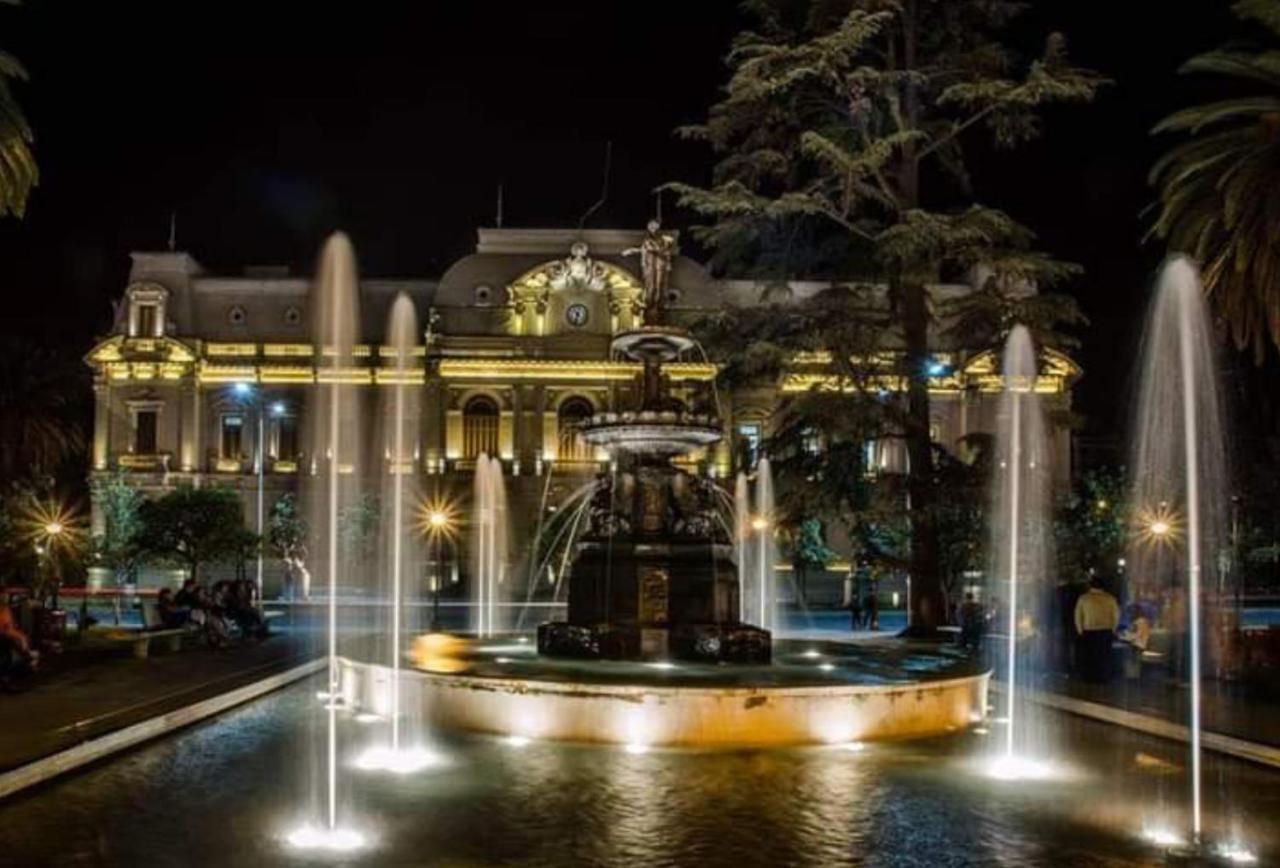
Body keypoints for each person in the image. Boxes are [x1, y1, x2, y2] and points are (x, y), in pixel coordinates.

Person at [1074, 577, 1121, 683]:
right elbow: (1116, 615)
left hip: (1088, 630)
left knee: (1089, 656)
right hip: (1105, 630)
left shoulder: (1084, 598)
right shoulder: (1110, 598)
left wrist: (1080, 630)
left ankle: (1089, 677)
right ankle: (1103, 677)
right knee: (1104, 656)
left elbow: (1078, 615)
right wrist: (1113, 629)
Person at [0, 601, 38, 690]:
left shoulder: (4, 610)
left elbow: (9, 628)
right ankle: (7, 678)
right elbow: (9, 629)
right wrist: (22, 639)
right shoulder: (4, 610)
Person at [1118, 602, 1151, 681]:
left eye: (1131, 612)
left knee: (1134, 661)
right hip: (1140, 644)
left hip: (1137, 645)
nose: (1130, 614)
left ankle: (1133, 677)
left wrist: (1123, 637)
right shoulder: (1143, 621)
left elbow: (1136, 635)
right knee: (1135, 661)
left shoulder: (1139, 622)